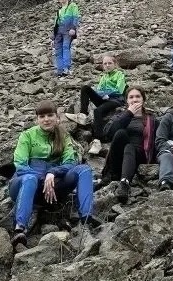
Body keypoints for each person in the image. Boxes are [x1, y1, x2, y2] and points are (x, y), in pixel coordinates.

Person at [8, 100, 98, 249]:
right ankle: (19, 229)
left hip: (54, 185)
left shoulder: (63, 136)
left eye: (50, 115)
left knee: (84, 170)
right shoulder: (27, 136)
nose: (46, 119)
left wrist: (52, 172)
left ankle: (86, 219)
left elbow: (70, 162)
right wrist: (43, 178)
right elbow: (20, 165)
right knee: (30, 178)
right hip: (27, 184)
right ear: (37, 119)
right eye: (42, 116)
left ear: (57, 117)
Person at [99, 87, 158, 203]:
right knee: (120, 133)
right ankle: (115, 175)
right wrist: (129, 113)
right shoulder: (119, 116)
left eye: (137, 97)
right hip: (119, 158)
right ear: (127, 101)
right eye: (131, 97)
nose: (134, 100)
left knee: (130, 147)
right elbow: (108, 134)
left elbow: (159, 140)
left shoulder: (152, 120)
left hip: (140, 156)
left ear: (143, 100)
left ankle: (125, 183)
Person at [70, 53, 127, 154]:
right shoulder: (104, 76)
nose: (107, 65)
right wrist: (101, 94)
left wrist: (107, 94)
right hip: (104, 98)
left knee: (97, 111)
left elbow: (119, 89)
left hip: (115, 100)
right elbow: (98, 89)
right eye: (105, 64)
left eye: (110, 63)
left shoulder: (120, 74)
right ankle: (83, 115)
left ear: (115, 64)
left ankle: (98, 140)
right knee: (85, 88)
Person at [51, 0, 80, 76]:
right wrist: (53, 38)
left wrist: (73, 28)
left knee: (65, 47)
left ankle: (66, 68)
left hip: (68, 30)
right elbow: (55, 24)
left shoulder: (72, 6)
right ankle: (60, 70)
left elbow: (76, 17)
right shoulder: (58, 10)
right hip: (59, 31)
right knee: (58, 50)